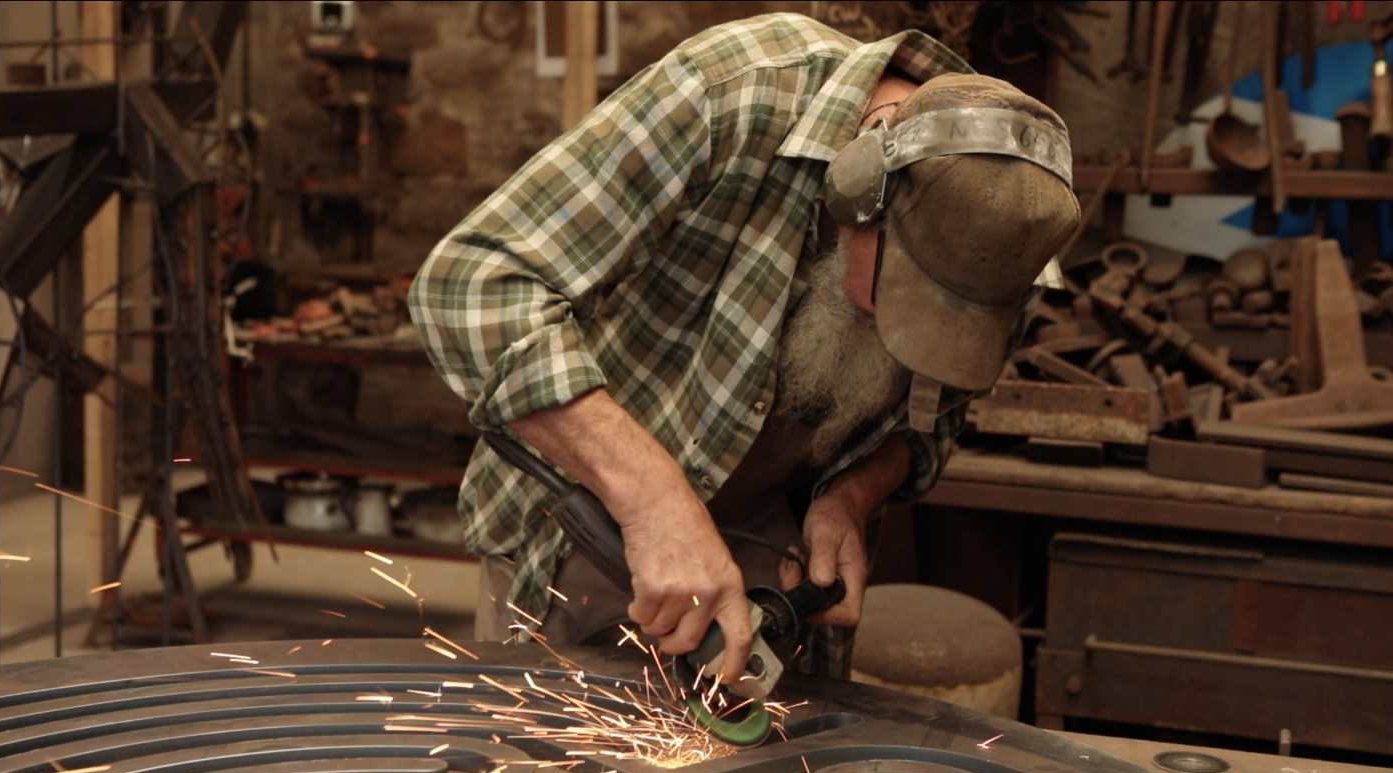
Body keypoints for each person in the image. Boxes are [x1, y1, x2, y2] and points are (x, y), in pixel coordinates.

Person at [408, 13, 1079, 681]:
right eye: (909, 291)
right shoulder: (736, 89)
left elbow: (934, 421)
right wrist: (654, 504)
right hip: (587, 518)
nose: (899, 328)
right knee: (556, 769)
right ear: (858, 187)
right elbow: (468, 288)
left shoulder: (1009, 234)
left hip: (773, 553)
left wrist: (852, 494)